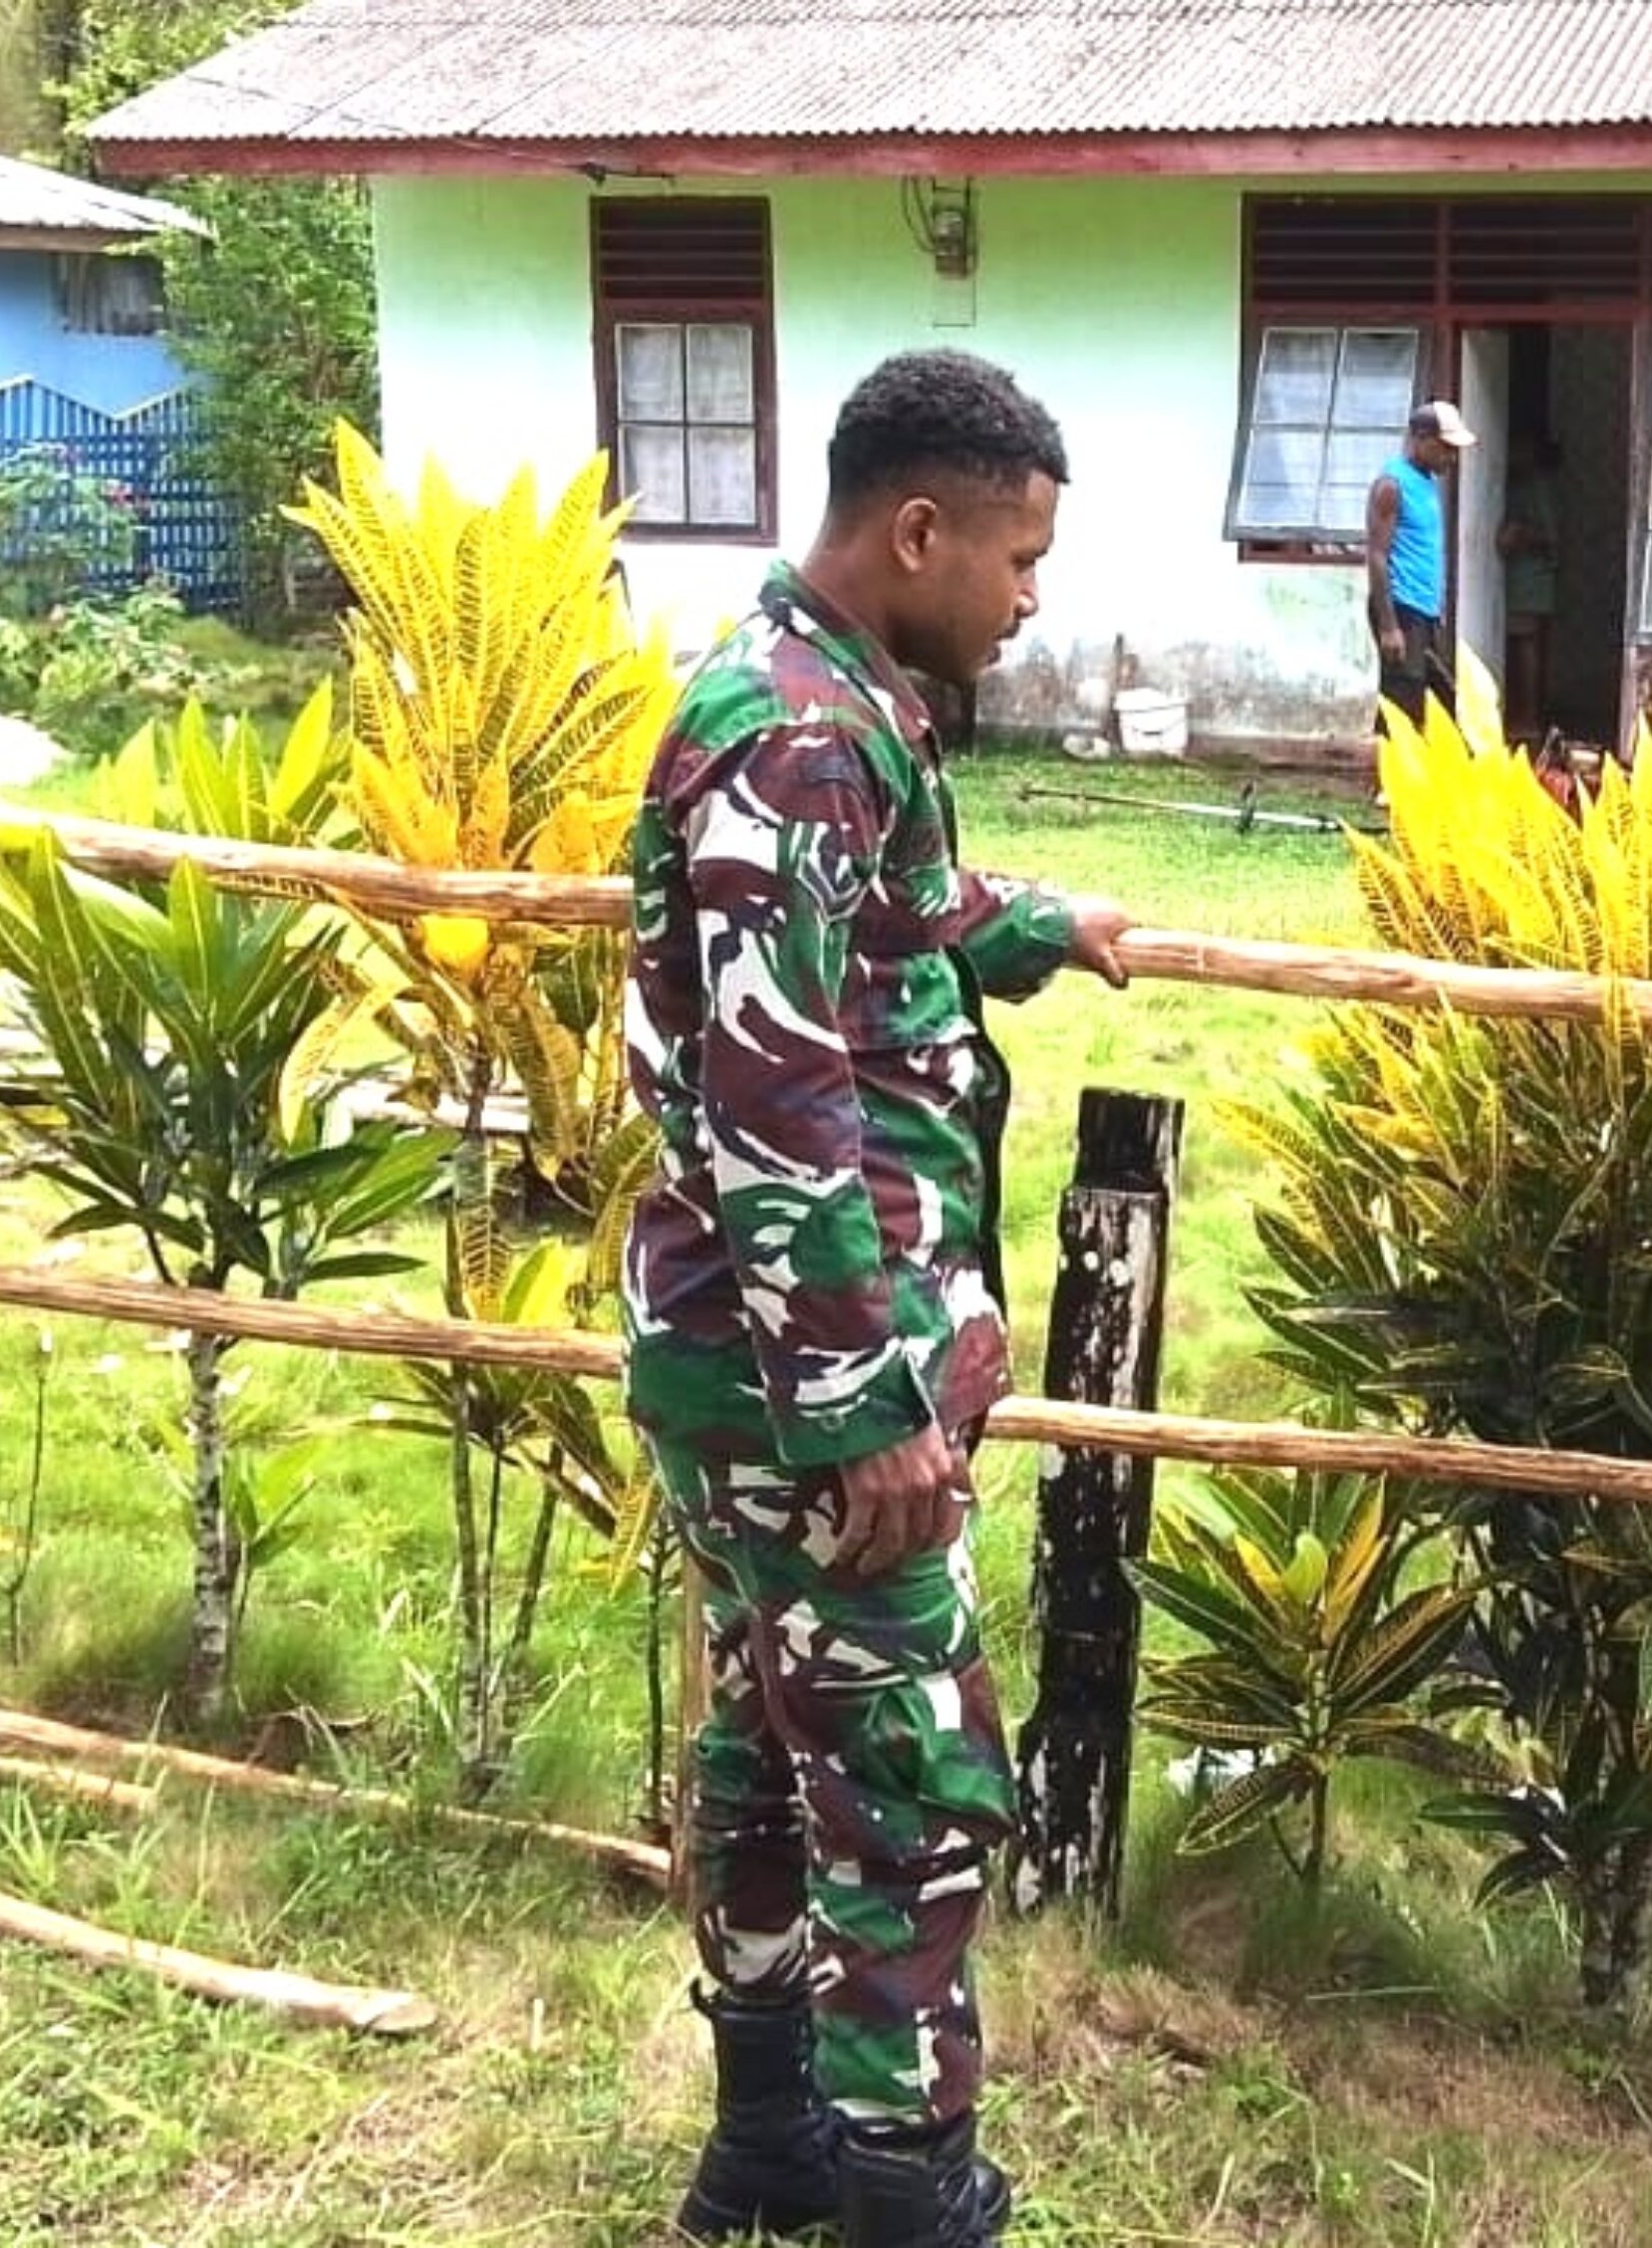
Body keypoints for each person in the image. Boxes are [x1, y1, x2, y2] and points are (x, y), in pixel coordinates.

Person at [624, 348, 1133, 2248]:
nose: (1030, 597)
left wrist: (1036, 928)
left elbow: (883, 920)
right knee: (911, 1784)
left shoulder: (833, 705)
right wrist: (865, 1415)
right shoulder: (796, 735)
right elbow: (778, 1102)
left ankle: (767, 2148)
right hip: (808, 1385)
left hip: (745, 1365)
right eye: (1020, 558)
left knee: (772, 1742)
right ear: (919, 531)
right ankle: (908, 2196)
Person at [1364, 399, 1472, 736]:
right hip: (1401, 608)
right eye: (1446, 448)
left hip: (1423, 610)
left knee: (1436, 701)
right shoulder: (1392, 485)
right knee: (1401, 704)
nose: (1452, 458)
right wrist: (1389, 626)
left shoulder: (1426, 483)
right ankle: (1386, 769)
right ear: (1421, 439)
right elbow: (1377, 555)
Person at [1500, 432, 1561, 739]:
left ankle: (1528, 718)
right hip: (1526, 577)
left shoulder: (1533, 488)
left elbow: (1550, 537)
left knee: (1525, 645)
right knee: (1525, 645)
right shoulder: (1525, 485)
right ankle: (1526, 716)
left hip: (1528, 578)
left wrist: (1517, 536)